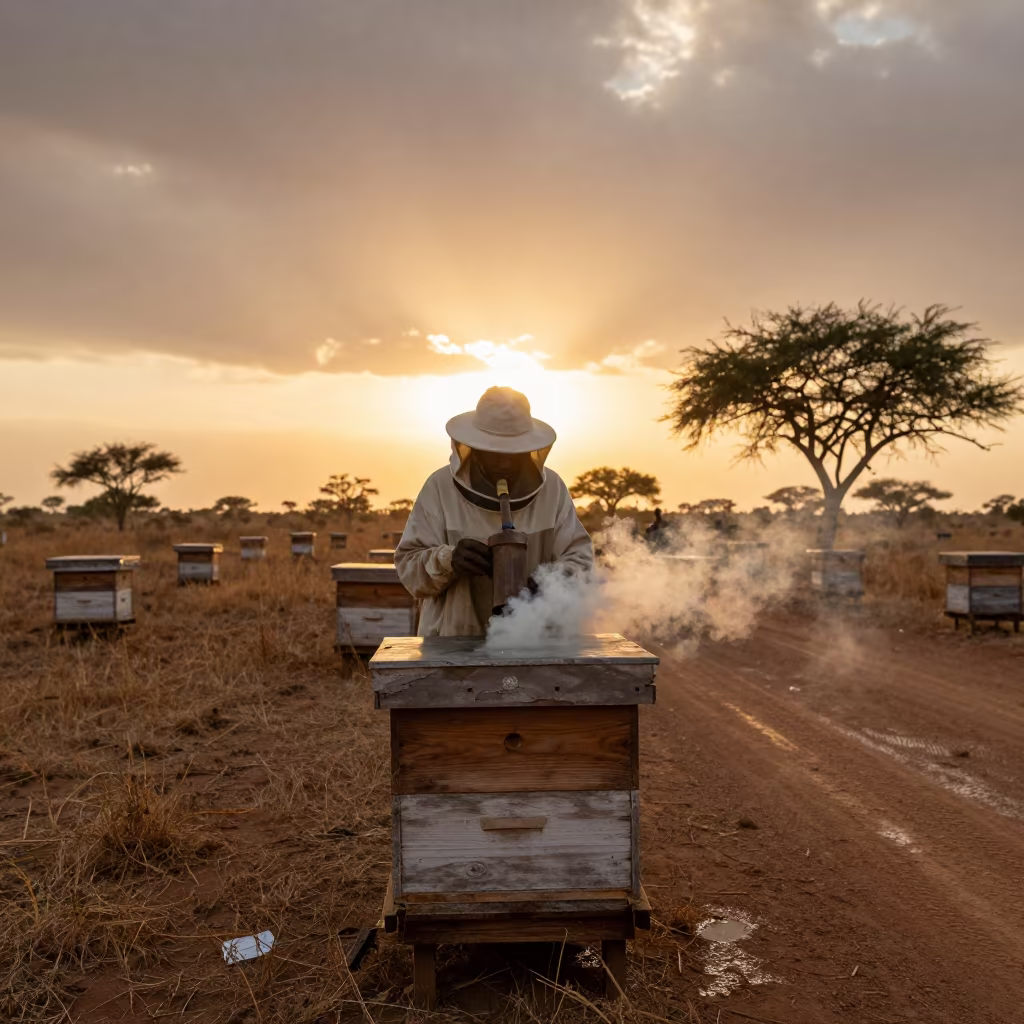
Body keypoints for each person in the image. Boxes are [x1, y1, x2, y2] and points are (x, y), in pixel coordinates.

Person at [395, 387, 593, 636]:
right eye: (494, 452)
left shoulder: (552, 489)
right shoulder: (439, 487)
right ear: (473, 447)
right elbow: (409, 567)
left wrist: (546, 581)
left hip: (532, 641)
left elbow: (581, 560)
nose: (503, 463)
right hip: (452, 643)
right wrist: (450, 560)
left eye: (513, 453)